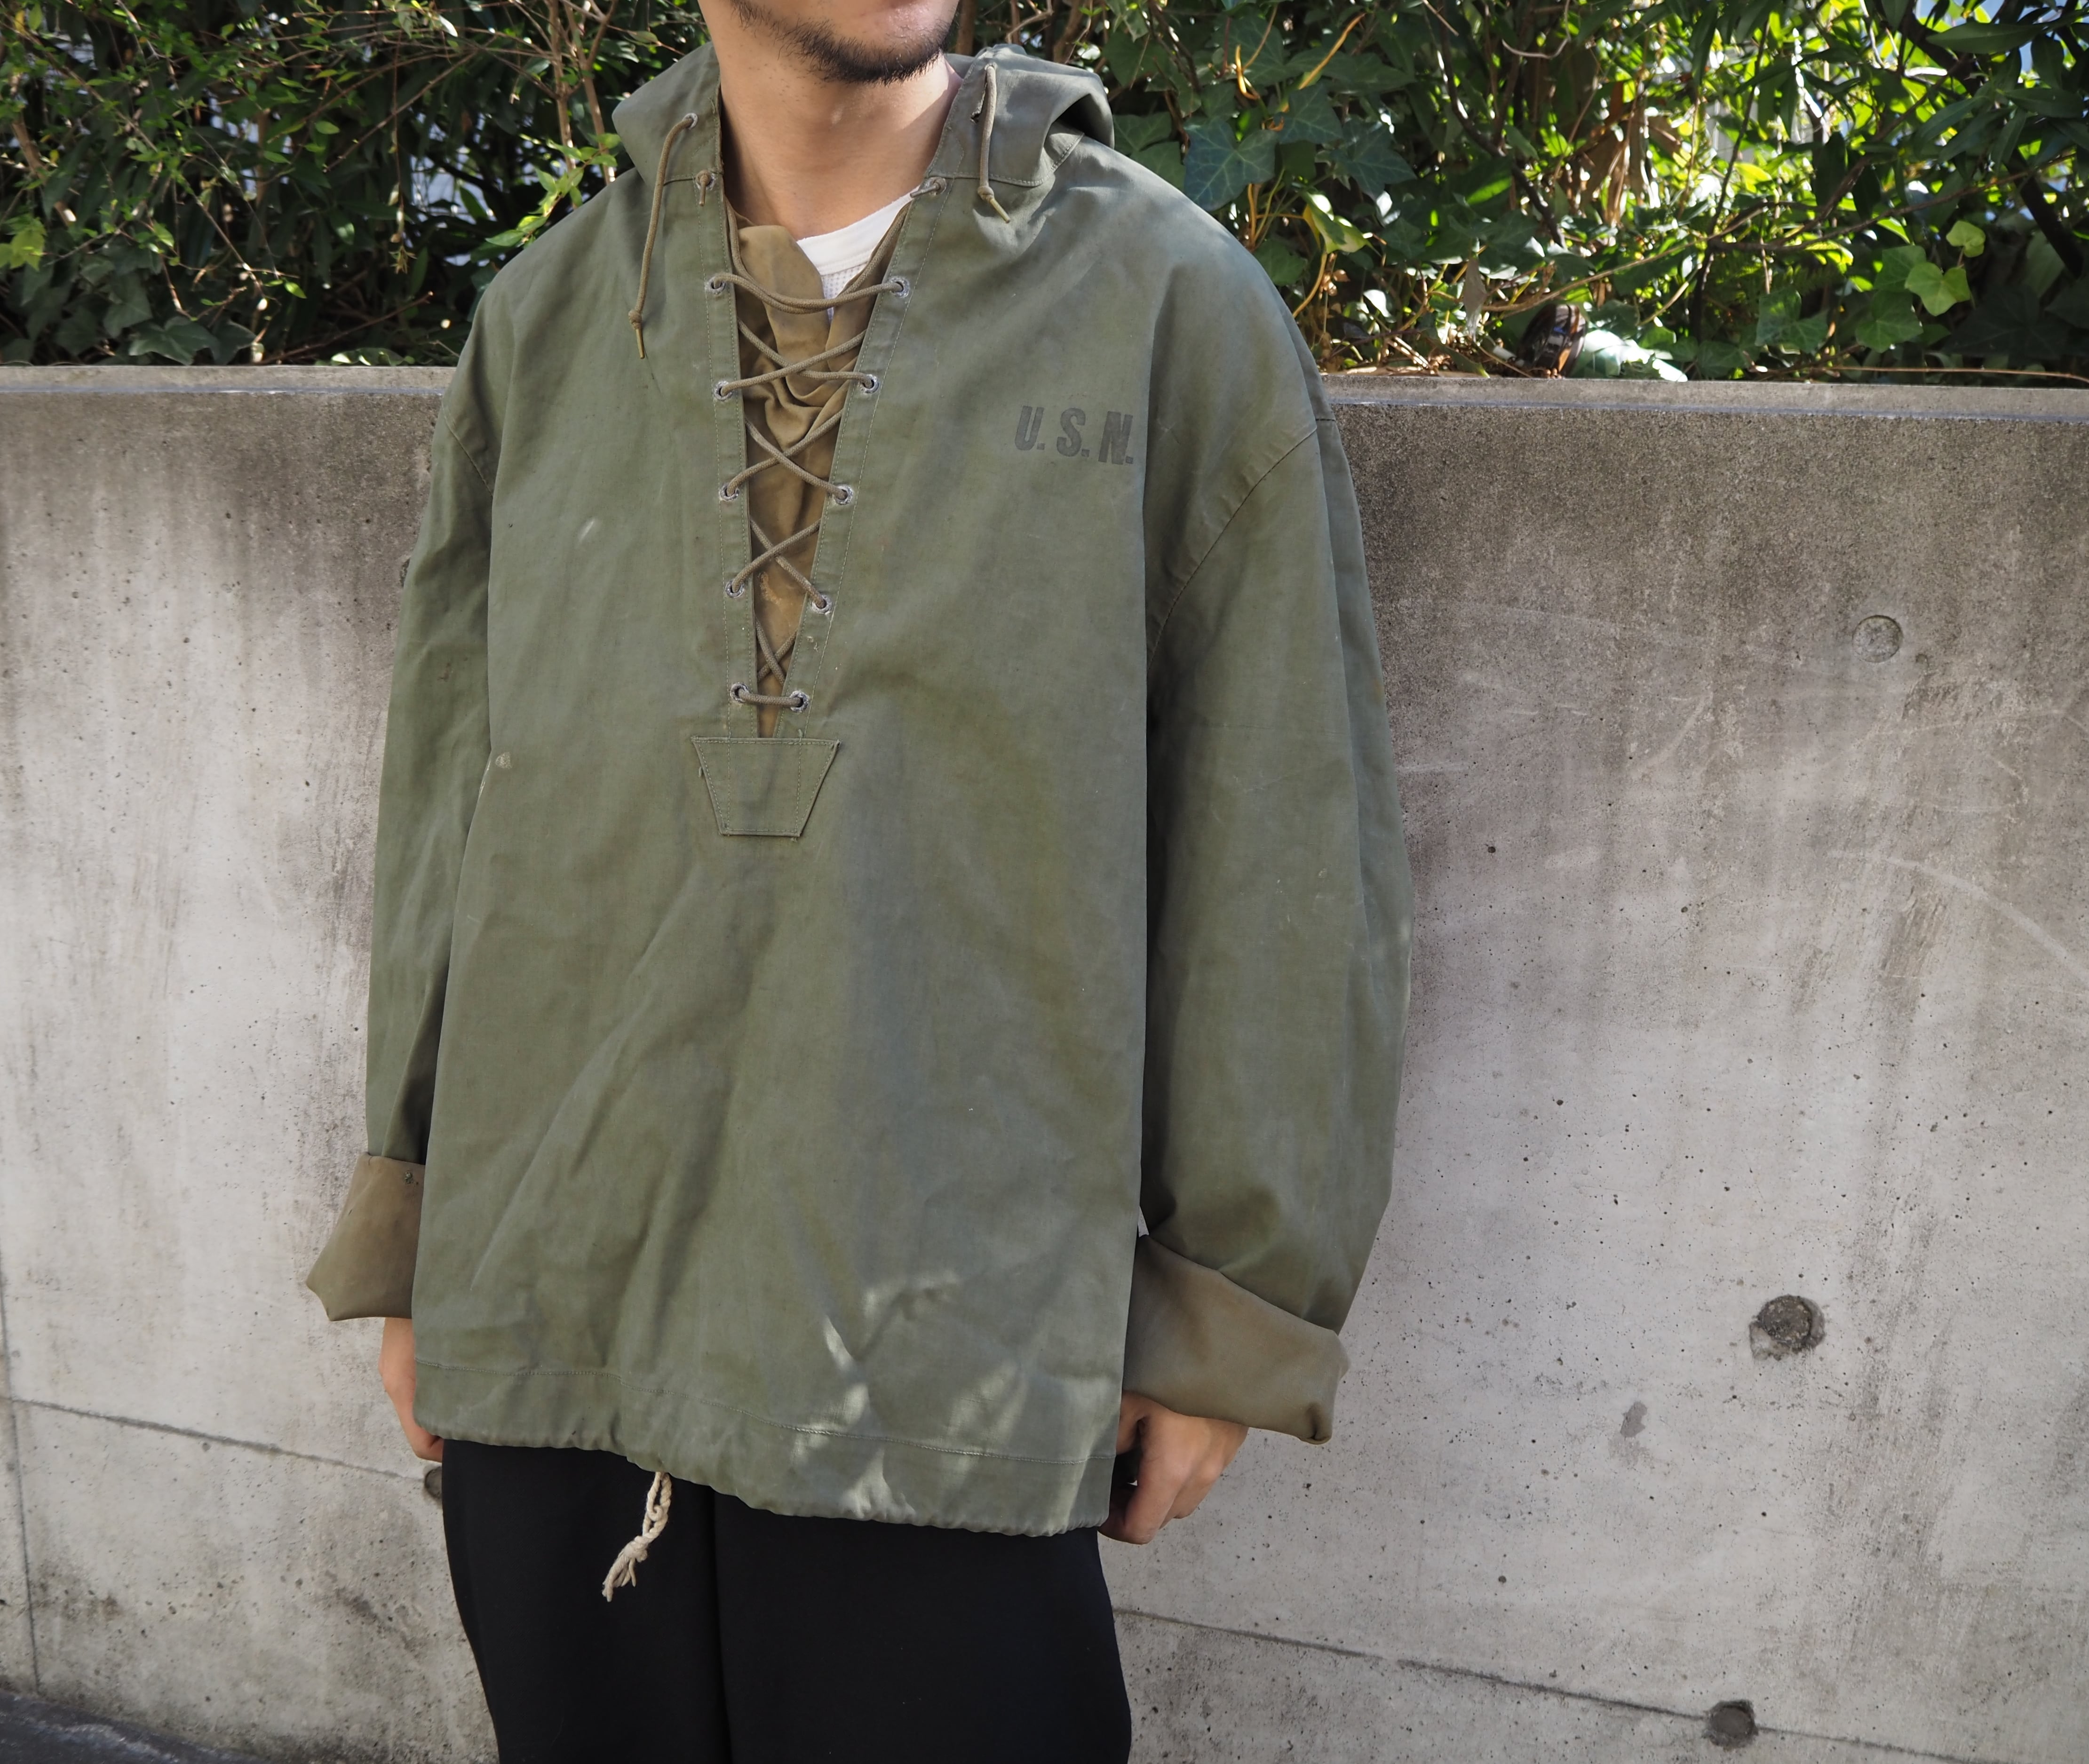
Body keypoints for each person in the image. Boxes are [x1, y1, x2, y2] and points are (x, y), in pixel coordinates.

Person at [304, 0, 1409, 1753]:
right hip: (552, 1312)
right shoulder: (553, 319)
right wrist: (420, 1222)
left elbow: (1279, 818)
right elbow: (453, 792)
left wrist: (1232, 1305)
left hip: (948, 1341)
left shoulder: (1165, 306)